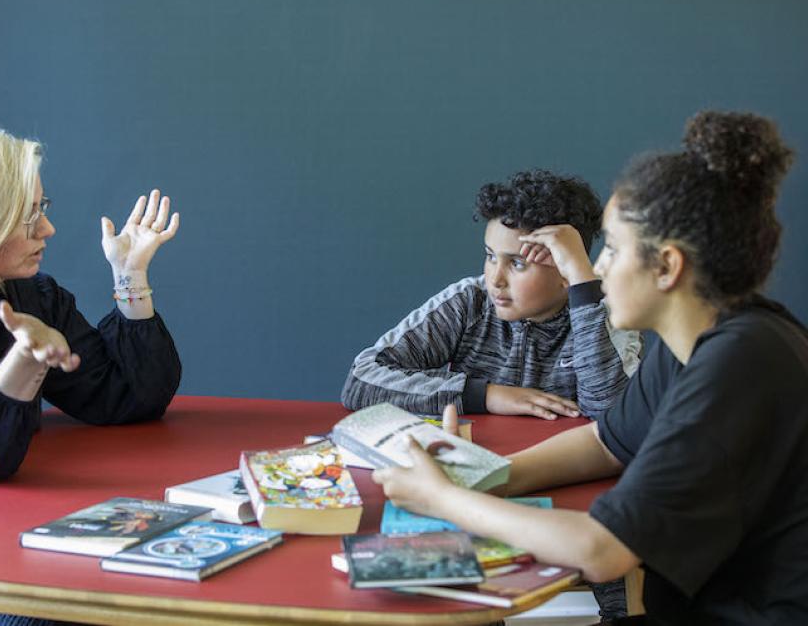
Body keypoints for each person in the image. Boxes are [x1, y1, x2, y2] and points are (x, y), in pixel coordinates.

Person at [371, 111, 807, 625]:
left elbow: (603, 550)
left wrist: (444, 499)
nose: (598, 268)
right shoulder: (691, 343)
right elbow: (607, 442)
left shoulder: (741, 362)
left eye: (613, 250)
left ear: (667, 266)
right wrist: (478, 476)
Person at [0, 120, 182, 623]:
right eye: (27, 216)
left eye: (43, 208)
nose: (47, 230)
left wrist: (130, 276)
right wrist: (22, 361)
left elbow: (125, 395)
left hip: (2, 538)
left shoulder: (30, 296)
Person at [342, 169, 642, 421]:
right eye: (490, 256)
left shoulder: (609, 315)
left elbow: (614, 417)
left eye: (517, 263)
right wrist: (485, 395)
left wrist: (582, 284)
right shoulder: (470, 302)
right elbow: (361, 380)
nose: (495, 280)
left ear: (566, 270)